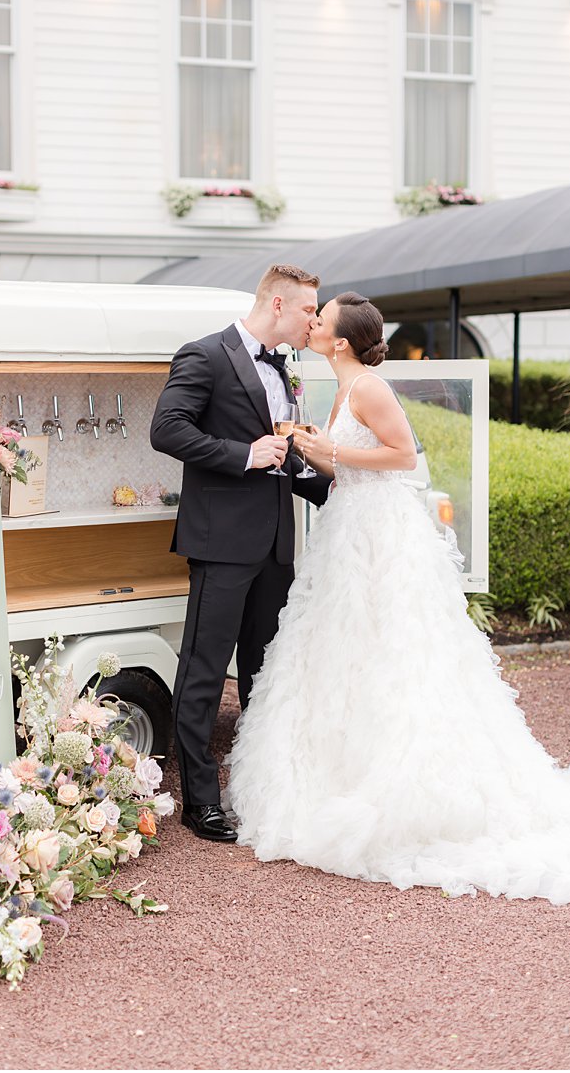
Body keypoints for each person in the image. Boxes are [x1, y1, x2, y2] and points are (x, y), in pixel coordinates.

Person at [226, 292, 570, 904]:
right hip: (347, 528)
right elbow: (351, 464)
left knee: (393, 648)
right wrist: (321, 451)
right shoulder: (343, 387)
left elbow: (404, 459)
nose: (311, 324)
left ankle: (406, 786)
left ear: (340, 341)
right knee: (340, 647)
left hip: (381, 535)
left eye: (321, 320)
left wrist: (331, 452)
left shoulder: (369, 387)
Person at [150, 264, 333, 842]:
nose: (316, 321)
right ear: (278, 304)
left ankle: (259, 791)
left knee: (263, 675)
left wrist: (340, 491)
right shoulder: (204, 355)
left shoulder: (287, 370)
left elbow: (283, 454)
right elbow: (166, 430)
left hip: (278, 546)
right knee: (204, 676)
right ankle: (199, 802)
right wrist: (242, 454)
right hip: (222, 546)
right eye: (310, 311)